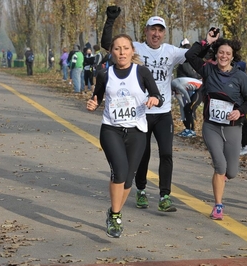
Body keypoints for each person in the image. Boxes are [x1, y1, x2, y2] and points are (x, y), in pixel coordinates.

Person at [101, 6, 187, 212]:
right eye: (152, 29)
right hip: (140, 114)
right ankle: (140, 190)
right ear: (146, 31)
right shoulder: (136, 48)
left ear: (163, 33)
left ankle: (165, 196)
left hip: (163, 111)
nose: (156, 33)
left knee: (166, 154)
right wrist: (110, 20)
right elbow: (107, 44)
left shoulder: (171, 51)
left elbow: (194, 54)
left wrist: (209, 43)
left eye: (160, 30)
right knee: (143, 156)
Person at [86, 33, 162, 238]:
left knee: (128, 179)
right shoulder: (104, 74)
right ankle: (116, 215)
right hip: (111, 130)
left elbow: (158, 96)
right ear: (112, 52)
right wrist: (93, 103)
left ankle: (114, 211)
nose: (122, 52)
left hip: (137, 132)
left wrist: (154, 99)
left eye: (125, 48)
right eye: (117, 48)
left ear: (132, 51)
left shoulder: (142, 72)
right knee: (119, 172)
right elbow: (97, 97)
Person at [186, 31, 247, 220]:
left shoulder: (241, 77)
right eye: (221, 52)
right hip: (212, 127)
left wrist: (239, 111)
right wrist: (207, 41)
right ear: (216, 54)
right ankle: (218, 206)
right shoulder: (208, 70)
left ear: (233, 57)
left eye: (228, 54)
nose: (224, 56)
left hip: (233, 127)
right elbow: (190, 56)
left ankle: (221, 178)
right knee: (220, 166)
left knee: (231, 172)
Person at [236, 60, 247, 156]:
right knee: (242, 127)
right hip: (240, 106)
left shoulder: (244, 77)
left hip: (245, 106)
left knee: (245, 126)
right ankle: (244, 146)